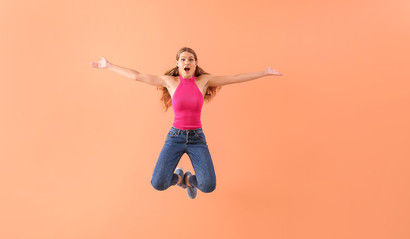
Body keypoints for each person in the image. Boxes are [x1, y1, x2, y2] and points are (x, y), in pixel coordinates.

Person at [90, 47, 283, 199]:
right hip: (175, 137)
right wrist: (109, 66)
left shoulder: (204, 81)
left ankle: (189, 180)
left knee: (208, 186)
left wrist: (263, 72)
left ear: (196, 63)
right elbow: (137, 75)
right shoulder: (169, 82)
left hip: (197, 138)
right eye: (183, 59)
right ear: (178, 63)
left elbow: (234, 78)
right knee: (158, 183)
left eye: (190, 59)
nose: (187, 62)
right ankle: (180, 178)